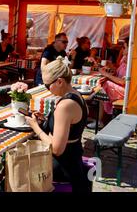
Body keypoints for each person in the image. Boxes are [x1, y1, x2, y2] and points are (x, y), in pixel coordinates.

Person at [26, 57, 91, 193]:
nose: (47, 89)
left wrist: (35, 127)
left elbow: (56, 149)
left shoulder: (65, 105)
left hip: (62, 166)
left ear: (60, 81)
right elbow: (71, 127)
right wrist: (46, 120)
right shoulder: (78, 96)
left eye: (47, 85)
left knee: (17, 168)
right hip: (74, 159)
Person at [97, 38, 129, 119]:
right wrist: (111, 65)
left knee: (105, 86)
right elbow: (118, 72)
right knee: (103, 85)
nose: (122, 49)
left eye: (124, 47)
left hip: (127, 91)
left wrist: (106, 74)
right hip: (121, 87)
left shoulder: (132, 62)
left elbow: (123, 81)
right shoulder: (124, 58)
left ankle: (100, 119)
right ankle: (102, 116)